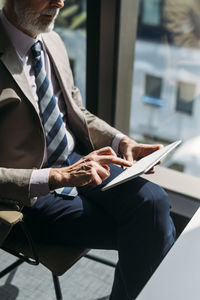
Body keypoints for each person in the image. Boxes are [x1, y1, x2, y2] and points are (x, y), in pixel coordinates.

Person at [0, 0, 175, 299]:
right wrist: (55, 177)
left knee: (154, 203)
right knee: (150, 229)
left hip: (76, 160)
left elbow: (76, 112)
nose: (60, 2)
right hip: (27, 196)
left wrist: (122, 142)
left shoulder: (51, 41)